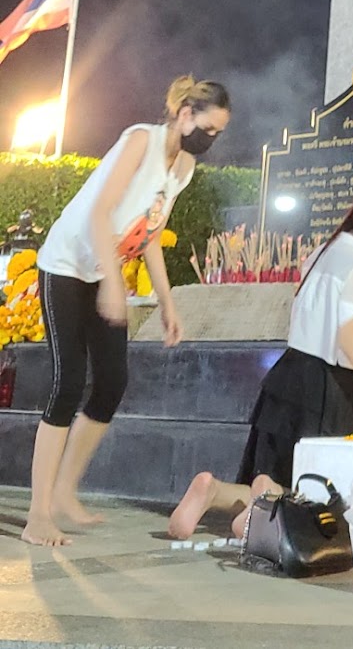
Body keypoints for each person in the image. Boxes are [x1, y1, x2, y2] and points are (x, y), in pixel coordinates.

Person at [22, 75, 231, 547]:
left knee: (112, 382)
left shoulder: (183, 168)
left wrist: (167, 303)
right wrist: (114, 284)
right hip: (67, 266)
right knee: (68, 383)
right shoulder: (141, 141)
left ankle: (63, 494)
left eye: (219, 133)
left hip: (103, 271)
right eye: (209, 128)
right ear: (184, 114)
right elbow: (99, 214)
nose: (211, 139)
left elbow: (151, 233)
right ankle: (38, 514)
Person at [168, 187, 353, 540]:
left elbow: (317, 315)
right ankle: (261, 516)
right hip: (328, 389)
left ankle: (213, 491)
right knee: (325, 492)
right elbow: (348, 341)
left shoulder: (323, 253)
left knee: (281, 477)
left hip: (289, 375)